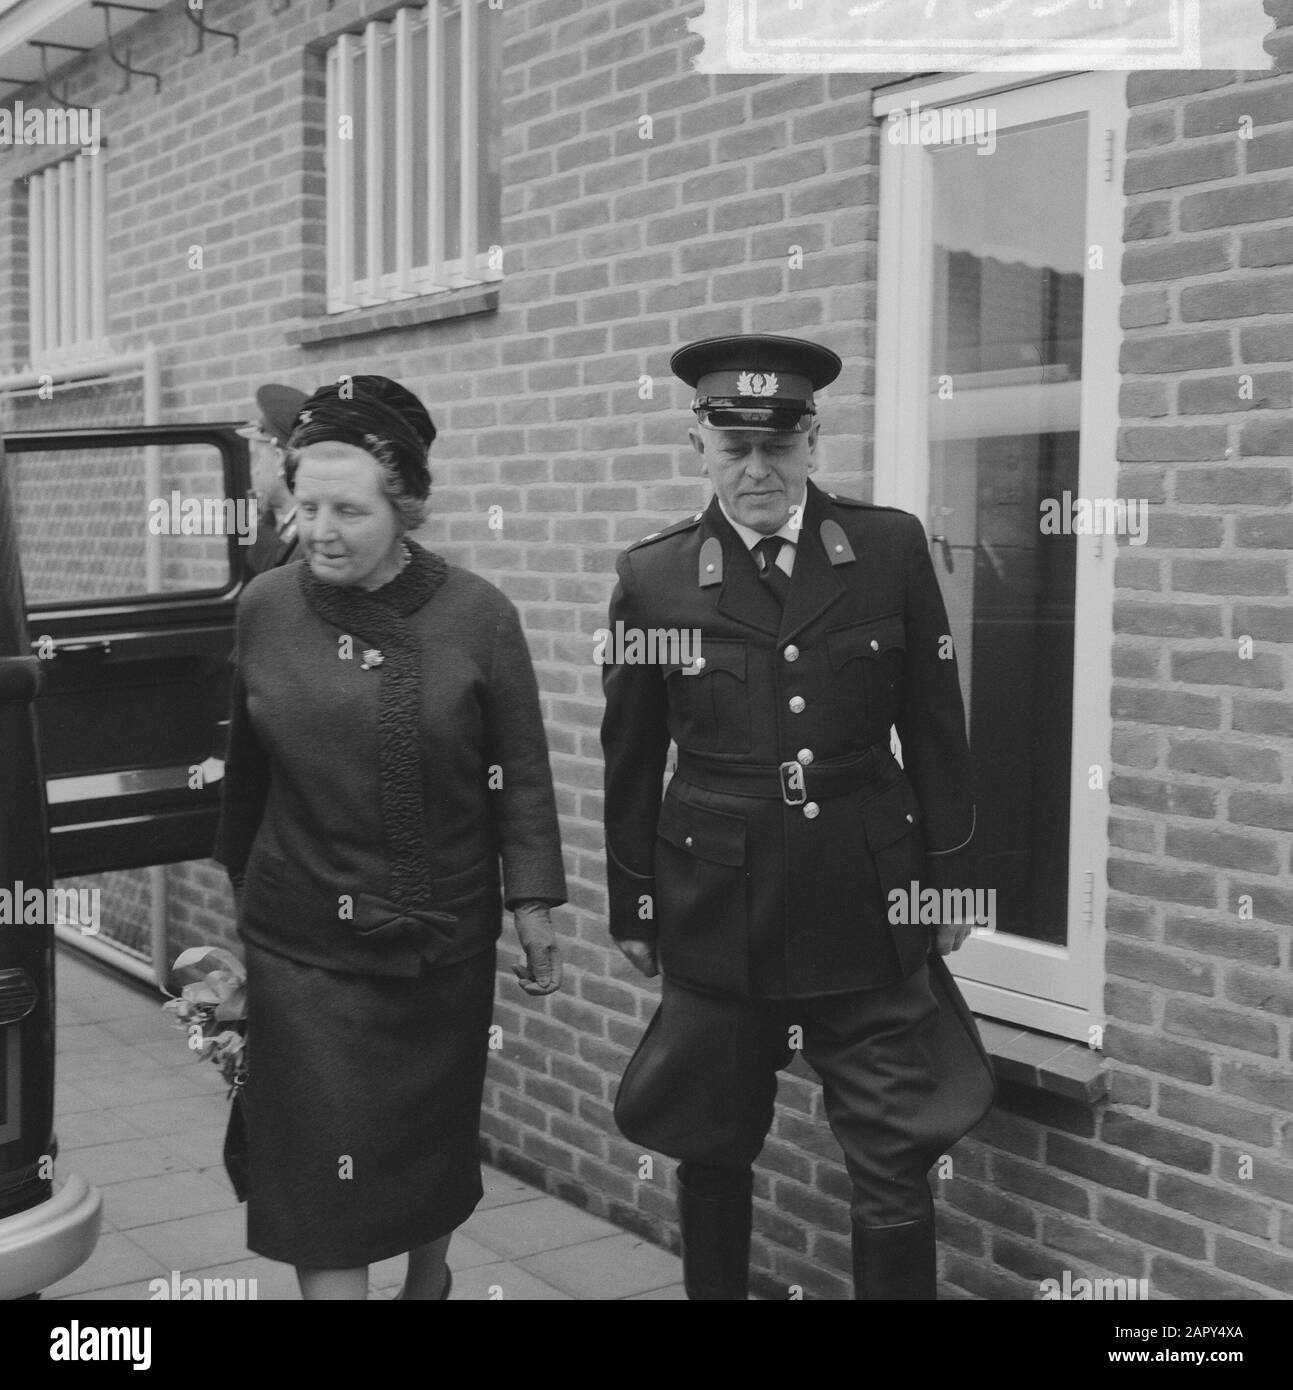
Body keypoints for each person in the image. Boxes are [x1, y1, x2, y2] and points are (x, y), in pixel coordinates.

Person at [600, 334, 995, 1300]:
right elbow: (632, 757)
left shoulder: (888, 549)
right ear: (698, 444)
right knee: (709, 1142)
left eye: (777, 447)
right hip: (716, 907)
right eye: (732, 448)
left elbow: (937, 728)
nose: (756, 471)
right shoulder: (654, 580)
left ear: (812, 440)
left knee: (894, 1151)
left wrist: (954, 884)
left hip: (867, 898)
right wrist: (634, 909)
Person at [214, 374, 567, 1300]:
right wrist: (239, 899)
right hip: (303, 948)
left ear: (403, 506)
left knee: (421, 1153)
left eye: (347, 510)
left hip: (436, 940)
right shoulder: (265, 608)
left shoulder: (478, 616)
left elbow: (521, 772)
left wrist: (532, 904)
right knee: (318, 1177)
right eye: (305, 505)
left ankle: (430, 1282)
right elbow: (245, 773)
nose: (318, 530)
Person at [236, 383, 307, 573]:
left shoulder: (305, 536)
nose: (255, 471)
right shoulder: (292, 526)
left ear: (277, 457)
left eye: (258, 458)